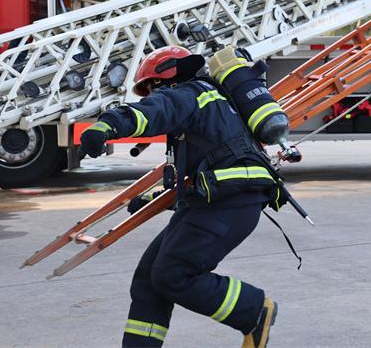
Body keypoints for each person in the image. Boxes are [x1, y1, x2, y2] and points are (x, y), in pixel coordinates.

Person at [80, 46, 279, 347]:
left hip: (231, 202)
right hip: (218, 199)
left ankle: (253, 310)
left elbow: (152, 112)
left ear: (164, 78)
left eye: (150, 89)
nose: (150, 96)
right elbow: (205, 171)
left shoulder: (188, 94)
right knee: (149, 278)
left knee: (173, 274)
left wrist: (107, 126)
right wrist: (154, 198)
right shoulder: (209, 101)